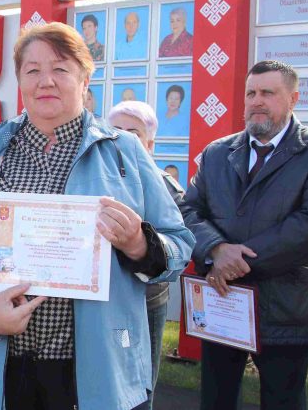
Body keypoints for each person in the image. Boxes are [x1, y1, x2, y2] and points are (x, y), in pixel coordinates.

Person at [0, 22, 194, 410]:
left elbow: (178, 243)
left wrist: (139, 244)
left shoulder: (125, 153)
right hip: (0, 369)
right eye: (32, 70)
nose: (46, 80)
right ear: (19, 81)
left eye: (61, 68)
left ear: (84, 78)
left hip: (90, 374)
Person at [185, 60, 308, 410]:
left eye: (268, 93)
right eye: (251, 93)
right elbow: (188, 212)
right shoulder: (217, 153)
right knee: (216, 400)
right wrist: (216, 249)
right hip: (222, 302)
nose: (257, 101)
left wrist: (233, 262)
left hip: (284, 306)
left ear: (293, 99)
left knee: (283, 401)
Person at [108, 100, 189, 410]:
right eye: (116, 131)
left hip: (146, 299)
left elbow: (179, 239)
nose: (124, 139)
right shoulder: (91, 177)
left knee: (140, 384)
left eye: (134, 133)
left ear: (149, 144)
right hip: (102, 299)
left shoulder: (164, 185)